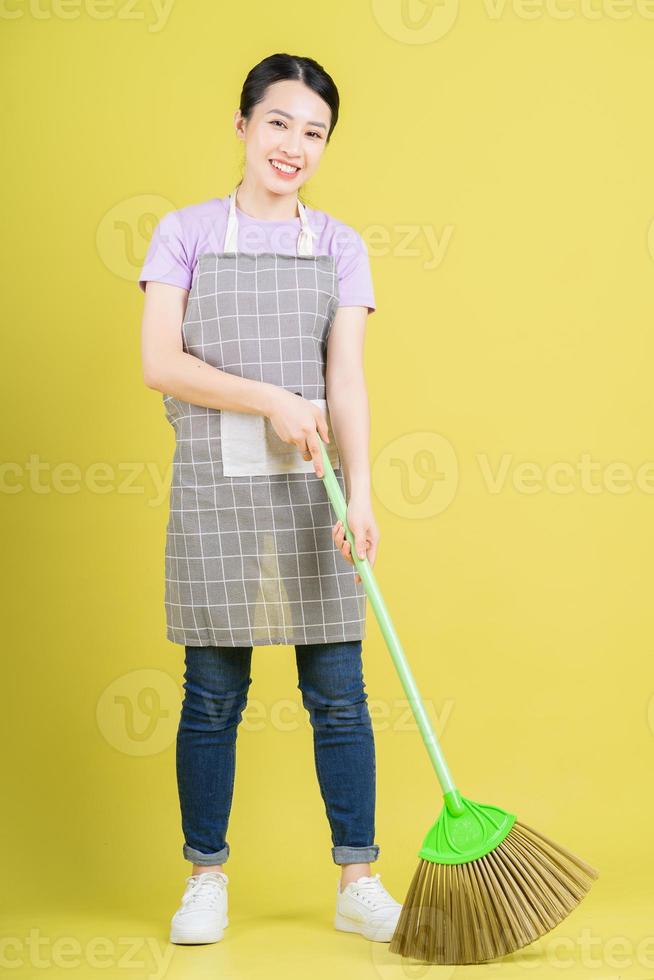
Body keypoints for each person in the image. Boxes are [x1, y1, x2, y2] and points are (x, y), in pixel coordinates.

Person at [138, 52, 402, 946]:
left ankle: (357, 879)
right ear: (244, 124)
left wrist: (362, 495)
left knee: (340, 693)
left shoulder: (338, 246)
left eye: (315, 132)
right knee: (211, 694)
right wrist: (271, 400)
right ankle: (206, 877)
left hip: (313, 490)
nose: (294, 145)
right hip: (216, 490)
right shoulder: (182, 233)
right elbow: (160, 364)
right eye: (280, 122)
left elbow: (348, 380)